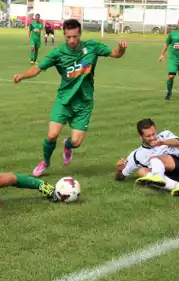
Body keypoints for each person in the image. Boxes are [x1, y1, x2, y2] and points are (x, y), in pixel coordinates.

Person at [14, 19, 128, 177]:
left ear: (80, 34)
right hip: (64, 100)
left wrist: (121, 49)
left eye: (75, 36)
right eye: (68, 37)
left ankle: (67, 145)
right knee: (51, 135)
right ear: (64, 35)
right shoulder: (58, 53)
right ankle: (45, 162)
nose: (72, 40)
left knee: (76, 142)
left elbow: (116, 54)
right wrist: (22, 76)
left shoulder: (92, 47)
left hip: (84, 102)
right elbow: (37, 69)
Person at [114, 118, 179, 196]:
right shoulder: (136, 155)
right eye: (148, 136)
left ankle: (158, 177)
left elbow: (177, 143)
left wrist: (161, 142)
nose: (152, 137)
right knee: (141, 171)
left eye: (153, 134)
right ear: (141, 137)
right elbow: (120, 177)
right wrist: (119, 169)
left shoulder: (164, 135)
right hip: (177, 178)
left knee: (154, 158)